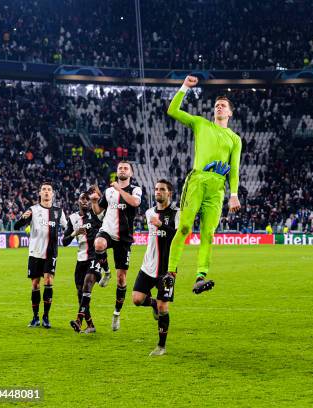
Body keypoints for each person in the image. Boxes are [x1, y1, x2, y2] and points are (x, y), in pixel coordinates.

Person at [166, 75, 242, 294]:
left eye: (223, 105)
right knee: (186, 227)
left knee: (208, 234)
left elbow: (234, 169)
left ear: (230, 113)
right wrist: (184, 88)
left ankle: (200, 276)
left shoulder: (235, 139)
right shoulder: (200, 123)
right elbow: (172, 111)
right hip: (198, 180)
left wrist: (234, 194)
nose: (219, 107)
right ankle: (170, 272)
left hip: (218, 187)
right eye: (217, 105)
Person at [90, 161, 143, 331]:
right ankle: (105, 272)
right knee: (98, 243)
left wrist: (119, 189)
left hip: (124, 238)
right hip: (108, 231)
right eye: (120, 168)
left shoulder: (135, 190)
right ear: (117, 171)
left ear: (131, 173)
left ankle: (116, 314)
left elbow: (135, 203)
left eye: (125, 168)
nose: (122, 170)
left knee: (122, 279)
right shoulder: (108, 192)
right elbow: (99, 212)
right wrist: (94, 202)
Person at [131, 180, 179, 356]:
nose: (158, 192)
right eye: (156, 189)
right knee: (136, 299)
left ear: (169, 193)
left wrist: (162, 225)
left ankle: (161, 346)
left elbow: (179, 237)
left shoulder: (176, 213)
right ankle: (151, 303)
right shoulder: (149, 212)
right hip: (147, 265)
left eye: (162, 189)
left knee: (163, 308)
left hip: (167, 269)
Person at [15, 182, 68, 328]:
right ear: (40, 193)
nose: (46, 192)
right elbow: (16, 226)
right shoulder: (32, 210)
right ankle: (35, 317)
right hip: (35, 252)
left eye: (49, 190)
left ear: (53, 194)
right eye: (44, 189)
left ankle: (46, 317)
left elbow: (68, 227)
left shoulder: (58, 211)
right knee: (35, 284)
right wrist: (22, 218)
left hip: (51, 252)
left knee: (49, 281)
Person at [63, 192, 103, 333]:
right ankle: (90, 325)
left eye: (87, 199)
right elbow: (64, 242)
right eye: (82, 199)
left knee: (87, 286)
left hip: (95, 258)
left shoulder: (97, 215)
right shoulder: (73, 218)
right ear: (78, 201)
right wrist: (75, 233)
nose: (85, 201)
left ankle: (79, 321)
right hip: (80, 260)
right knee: (81, 294)